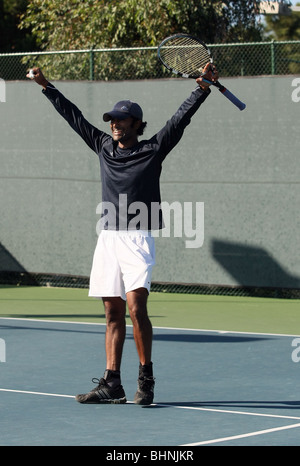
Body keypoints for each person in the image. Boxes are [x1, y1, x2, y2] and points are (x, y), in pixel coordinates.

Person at [27, 64, 218, 405]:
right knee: (112, 312)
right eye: (112, 120)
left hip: (137, 238)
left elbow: (179, 120)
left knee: (135, 307)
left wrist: (201, 88)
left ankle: (146, 378)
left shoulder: (153, 149)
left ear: (136, 124)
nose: (114, 124)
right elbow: (75, 118)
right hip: (108, 239)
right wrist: (46, 86)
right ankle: (111, 382)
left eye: (121, 119)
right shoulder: (102, 146)